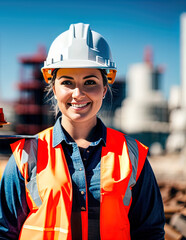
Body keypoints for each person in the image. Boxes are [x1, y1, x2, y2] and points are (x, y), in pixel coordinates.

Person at [0, 23, 165, 240]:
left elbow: (150, 233)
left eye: (90, 82)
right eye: (67, 82)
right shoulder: (27, 154)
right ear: (54, 88)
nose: (78, 93)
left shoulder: (132, 155)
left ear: (104, 89)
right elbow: (4, 232)